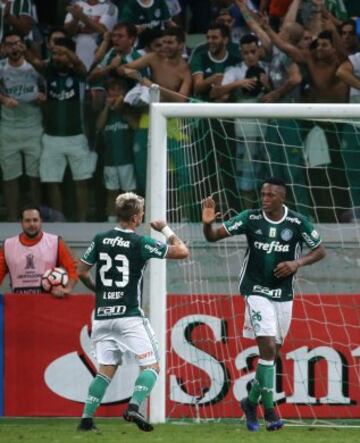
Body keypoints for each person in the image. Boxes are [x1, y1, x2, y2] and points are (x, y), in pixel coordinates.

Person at [202, 177, 326, 431]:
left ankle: (250, 402)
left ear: (282, 198)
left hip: (283, 293)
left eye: (270, 195)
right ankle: (270, 413)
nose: (265, 199)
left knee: (272, 354)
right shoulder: (250, 218)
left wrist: (296, 263)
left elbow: (320, 250)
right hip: (255, 290)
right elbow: (213, 236)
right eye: (263, 194)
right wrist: (208, 223)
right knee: (268, 348)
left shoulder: (296, 222)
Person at [77, 192, 189, 432]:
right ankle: (134, 407)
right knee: (152, 367)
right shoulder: (140, 243)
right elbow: (182, 251)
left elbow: (82, 272)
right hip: (128, 315)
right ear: (137, 217)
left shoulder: (100, 239)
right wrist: (165, 229)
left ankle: (86, 420)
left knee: (105, 370)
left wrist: (99, 292)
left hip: (102, 316)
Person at [0, 31, 45, 221]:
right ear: (3, 49)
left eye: (17, 43)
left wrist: (42, 98)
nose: (14, 47)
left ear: (23, 46)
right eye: (9, 44)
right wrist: (3, 99)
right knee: (10, 177)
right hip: (9, 128)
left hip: (33, 127)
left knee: (35, 177)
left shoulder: (34, 68)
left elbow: (46, 92)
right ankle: (11, 220)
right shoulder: (1, 68)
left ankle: (35, 219)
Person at [0, 205, 78, 296]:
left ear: (41, 221)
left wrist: (67, 289)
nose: (32, 224)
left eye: (35, 220)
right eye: (27, 221)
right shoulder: (8, 245)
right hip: (19, 304)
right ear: (21, 223)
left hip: (48, 303)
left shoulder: (55, 242)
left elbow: (73, 270)